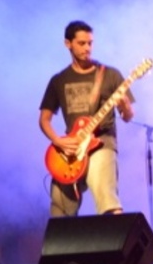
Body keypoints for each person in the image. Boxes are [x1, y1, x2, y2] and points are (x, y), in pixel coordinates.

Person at [39, 20, 135, 217]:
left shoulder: (110, 75)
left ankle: (115, 233)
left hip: (102, 143)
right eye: (81, 43)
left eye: (90, 43)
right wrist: (58, 141)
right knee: (59, 209)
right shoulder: (59, 80)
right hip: (70, 149)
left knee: (107, 197)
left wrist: (125, 106)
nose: (87, 48)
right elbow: (44, 119)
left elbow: (128, 117)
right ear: (68, 44)